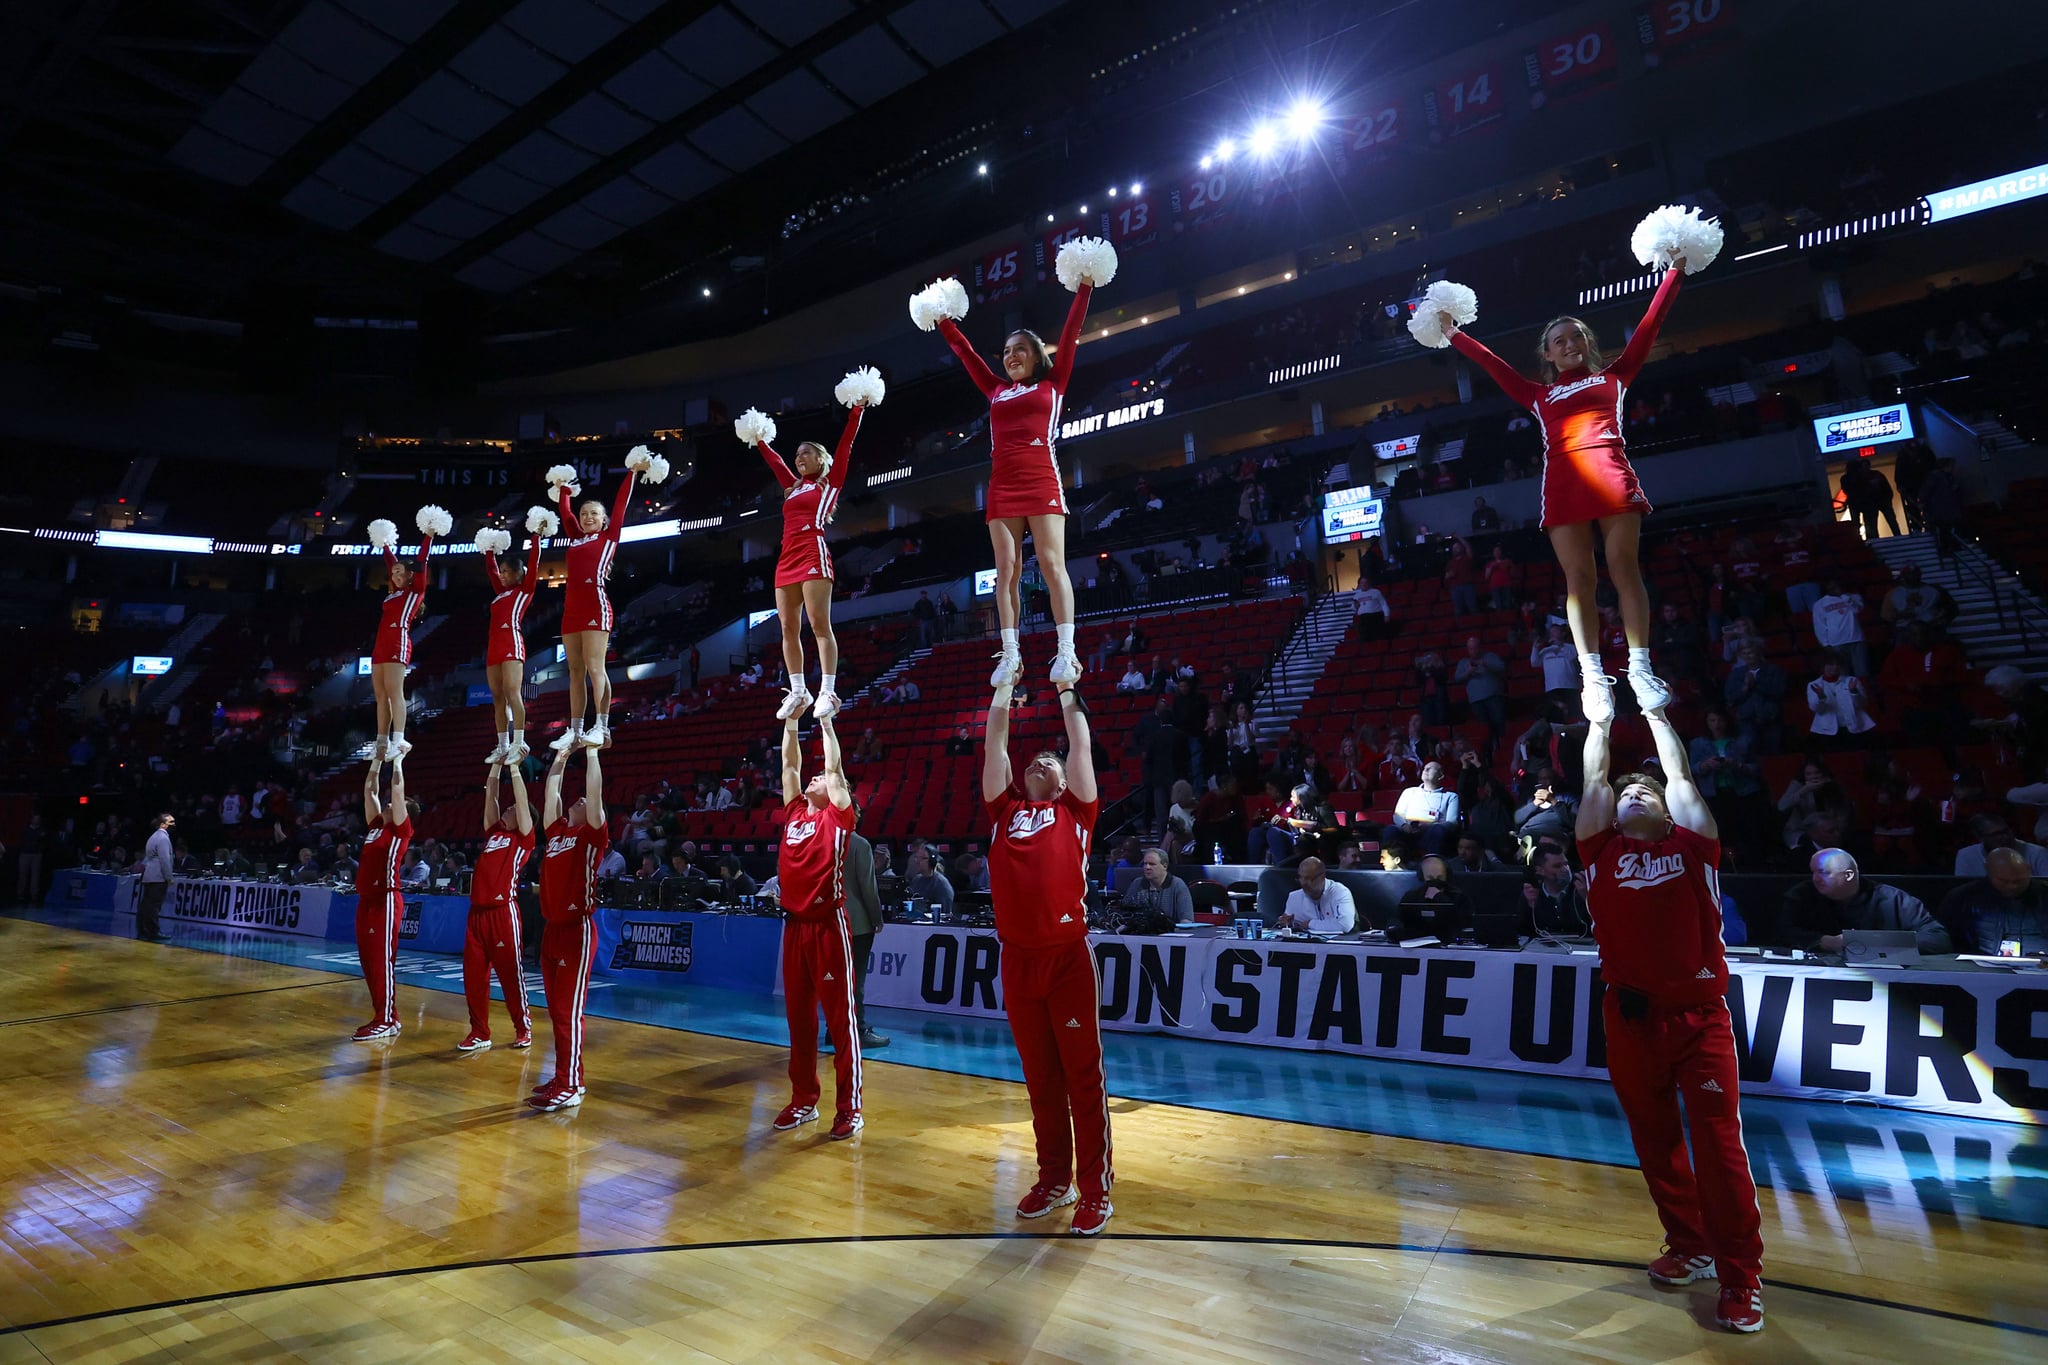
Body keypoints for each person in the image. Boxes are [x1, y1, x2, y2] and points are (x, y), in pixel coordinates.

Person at [1436, 250, 1695, 724]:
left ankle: (1640, 669)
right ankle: (1594, 679)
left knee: (1623, 568)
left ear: (1587, 344)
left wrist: (1674, 270)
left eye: (1577, 336)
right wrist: (1452, 332)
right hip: (1562, 484)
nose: (1569, 343)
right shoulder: (1537, 394)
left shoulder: (1615, 376)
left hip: (1611, 475)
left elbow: (1649, 325)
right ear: (1549, 355)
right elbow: (1493, 364)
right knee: (1579, 581)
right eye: (1559, 340)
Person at [1576, 698, 1764, 1333]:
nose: (1632, 793)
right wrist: (1600, 720)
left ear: (1665, 809)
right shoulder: (1599, 850)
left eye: (1643, 791)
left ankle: (1742, 1277)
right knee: (1655, 1141)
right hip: (1628, 1017)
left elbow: (1680, 778)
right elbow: (1594, 780)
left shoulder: (1694, 848)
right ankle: (1690, 1245)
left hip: (1698, 1017)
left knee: (1717, 1146)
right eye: (1626, 790)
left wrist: (1655, 711)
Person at [920, 238, 1116, 688]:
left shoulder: (1056, 381)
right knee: (1004, 571)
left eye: (1019, 349)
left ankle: (1066, 652)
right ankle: (1010, 654)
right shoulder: (995, 390)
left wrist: (1084, 286)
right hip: (1002, 486)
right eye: (1006, 351)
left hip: (1041, 478)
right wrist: (944, 319)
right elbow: (966, 354)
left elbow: (1070, 334)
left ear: (1036, 355)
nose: (1010, 356)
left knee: (1051, 565)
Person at [982, 669, 1112, 1235]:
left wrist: (1064, 688)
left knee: (1082, 1076)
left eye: (1050, 762)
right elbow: (994, 743)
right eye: (1032, 761)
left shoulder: (1076, 811)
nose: (1040, 763)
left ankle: (1095, 1190)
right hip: (1017, 960)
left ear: (1065, 782)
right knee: (1040, 1079)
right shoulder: (1004, 811)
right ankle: (1053, 1178)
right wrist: (1003, 694)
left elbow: (1079, 741)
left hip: (1066, 958)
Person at [745, 378, 875, 723]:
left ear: (821, 458)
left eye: (806, 453)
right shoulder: (791, 489)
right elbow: (775, 463)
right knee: (787, 628)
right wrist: (758, 439)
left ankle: (828, 690)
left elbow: (846, 445)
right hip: (786, 558)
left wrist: (857, 410)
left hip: (812, 551)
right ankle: (799, 690)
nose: (800, 457)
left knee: (819, 624)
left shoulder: (828, 484)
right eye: (797, 454)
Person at [770, 709, 864, 1139]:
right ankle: (804, 1099)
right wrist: (790, 721)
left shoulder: (837, 817)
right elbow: (790, 765)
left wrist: (825, 722)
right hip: (794, 929)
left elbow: (833, 768)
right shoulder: (794, 814)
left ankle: (850, 1107)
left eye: (821, 780)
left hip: (828, 926)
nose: (814, 778)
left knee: (840, 1022)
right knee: (799, 1022)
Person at [531, 744, 609, 1111]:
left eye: (583, 800)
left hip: (577, 930)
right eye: (573, 800)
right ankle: (563, 1075)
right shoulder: (558, 830)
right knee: (556, 1012)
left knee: (567, 1012)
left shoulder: (591, 835)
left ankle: (572, 1085)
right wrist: (560, 759)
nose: (577, 800)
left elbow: (594, 792)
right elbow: (551, 794)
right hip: (551, 929)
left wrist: (592, 752)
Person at [548, 459, 643, 752]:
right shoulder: (575, 538)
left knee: (594, 668)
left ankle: (601, 726)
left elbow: (620, 504)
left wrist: (632, 472)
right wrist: (564, 487)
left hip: (595, 607)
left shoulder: (609, 537)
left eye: (594, 514)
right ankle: (575, 730)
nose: (588, 517)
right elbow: (565, 511)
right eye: (584, 513)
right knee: (575, 672)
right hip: (571, 611)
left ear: (603, 520)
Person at [459, 759, 535, 1053]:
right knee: (474, 977)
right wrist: (494, 766)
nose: (508, 808)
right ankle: (479, 1032)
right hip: (476, 915)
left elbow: (522, 799)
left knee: (510, 975)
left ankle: (523, 1028)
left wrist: (514, 767)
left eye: (513, 809)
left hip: (503, 913)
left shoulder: (523, 839)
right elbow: (490, 797)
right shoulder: (495, 834)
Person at [351, 753, 419, 1042]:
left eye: (395, 804)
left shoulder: (401, 829)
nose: (389, 804)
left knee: (382, 960)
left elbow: (397, 790)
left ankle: (387, 1019)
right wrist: (377, 761)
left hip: (386, 899)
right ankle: (385, 1014)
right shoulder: (376, 827)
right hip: (366, 899)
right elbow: (370, 790)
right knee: (368, 961)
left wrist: (398, 759)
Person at [1779, 848, 1950, 955]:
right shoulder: (1802, 894)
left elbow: (1938, 938)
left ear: (1848, 875)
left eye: (1823, 872)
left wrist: (1876, 941)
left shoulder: (1892, 899)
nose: (1815, 879)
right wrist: (1824, 941)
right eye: (1813, 872)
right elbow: (1782, 932)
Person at [365, 513, 434, 759]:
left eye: (399, 571)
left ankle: (400, 739)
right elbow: (389, 560)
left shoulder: (415, 592)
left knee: (395, 693)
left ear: (409, 575)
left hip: (398, 642)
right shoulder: (393, 592)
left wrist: (428, 535)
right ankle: (381, 741)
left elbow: (422, 560)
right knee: (381, 696)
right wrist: (384, 543)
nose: (394, 574)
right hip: (380, 646)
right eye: (392, 572)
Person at [481, 524, 542, 764]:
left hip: (511, 643)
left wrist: (536, 538)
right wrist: (489, 549)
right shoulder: (499, 593)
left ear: (519, 573)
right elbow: (490, 569)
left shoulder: (525, 590)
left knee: (512, 694)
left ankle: (519, 741)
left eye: (507, 571)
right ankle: (502, 745)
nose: (503, 574)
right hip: (493, 648)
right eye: (502, 571)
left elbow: (535, 563)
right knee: (497, 698)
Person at [1939, 847, 2048, 956]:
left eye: (2019, 881)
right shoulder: (1962, 898)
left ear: (2028, 870)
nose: (2012, 886)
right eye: (2003, 881)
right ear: (1989, 872)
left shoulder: (2044, 895)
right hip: (1981, 966)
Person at [842, 809, 889, 1051]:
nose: (860, 813)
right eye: (858, 809)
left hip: (831, 918)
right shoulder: (859, 844)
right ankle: (858, 1030)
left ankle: (836, 1029)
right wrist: (877, 917)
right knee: (856, 978)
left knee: (837, 979)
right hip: (857, 921)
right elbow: (868, 887)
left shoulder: (825, 838)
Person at [1386, 856, 1469, 940]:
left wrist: (1439, 897)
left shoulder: (1458, 896)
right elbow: (1397, 917)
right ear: (1422, 877)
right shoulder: (1412, 896)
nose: (1435, 881)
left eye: (1440, 878)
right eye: (1430, 878)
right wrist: (1394, 929)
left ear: (1447, 876)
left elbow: (1461, 922)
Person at [1804, 652, 1875, 744]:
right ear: (1823, 666)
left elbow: (1863, 703)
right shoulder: (1814, 685)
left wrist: (1854, 692)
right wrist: (1821, 696)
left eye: (1837, 664)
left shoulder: (1851, 680)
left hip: (1855, 727)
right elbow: (1817, 709)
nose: (1835, 667)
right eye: (1830, 664)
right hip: (1827, 731)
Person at [1522, 843, 1589, 937]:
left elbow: (1601, 925)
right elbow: (1523, 932)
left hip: (1583, 946)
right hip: (1545, 948)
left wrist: (1587, 899)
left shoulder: (1583, 886)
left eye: (1566, 864)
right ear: (1540, 870)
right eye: (1557, 866)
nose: (1565, 869)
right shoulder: (1532, 892)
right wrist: (1531, 905)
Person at [1393, 761, 1460, 855]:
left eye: (1431, 768)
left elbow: (1452, 823)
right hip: (1408, 830)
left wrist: (1430, 825)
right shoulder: (1409, 792)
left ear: (1440, 776)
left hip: (1432, 832)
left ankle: (1433, 863)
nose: (1426, 770)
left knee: (1437, 831)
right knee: (1391, 830)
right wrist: (1404, 826)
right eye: (1425, 768)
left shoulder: (1450, 796)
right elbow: (1397, 815)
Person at [1809, 579, 1869, 682]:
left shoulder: (1854, 597)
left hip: (1856, 639)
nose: (1835, 588)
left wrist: (1843, 596)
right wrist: (1826, 644)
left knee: (1862, 674)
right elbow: (1819, 626)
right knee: (1842, 676)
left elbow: (1857, 609)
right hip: (1836, 643)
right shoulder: (1820, 604)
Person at [1277, 856, 1357, 933]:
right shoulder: (1294, 898)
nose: (1303, 883)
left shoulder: (1340, 892)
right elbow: (1290, 926)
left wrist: (1310, 924)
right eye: (1301, 878)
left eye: (1308, 878)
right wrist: (1287, 924)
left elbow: (1345, 925)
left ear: (1322, 876)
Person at [136, 813, 173, 941]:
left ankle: (142, 930)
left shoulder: (153, 837)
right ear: (163, 824)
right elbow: (164, 860)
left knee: (146, 904)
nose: (173, 824)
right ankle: (153, 931)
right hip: (158, 876)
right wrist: (169, 877)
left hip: (149, 875)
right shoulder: (163, 838)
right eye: (171, 822)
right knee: (153, 906)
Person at [903, 847, 954, 917]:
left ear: (932, 862)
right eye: (916, 857)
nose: (917, 861)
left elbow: (945, 914)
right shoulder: (916, 880)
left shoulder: (941, 884)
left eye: (922, 858)